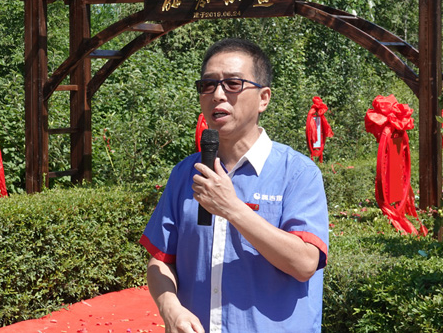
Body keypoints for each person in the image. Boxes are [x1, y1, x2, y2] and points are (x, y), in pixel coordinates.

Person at [139, 38, 329, 333]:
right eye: (208, 85)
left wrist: (232, 209)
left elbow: (305, 263)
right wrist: (170, 308)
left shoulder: (298, 173)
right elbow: (161, 260)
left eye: (233, 84)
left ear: (264, 98)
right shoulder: (184, 173)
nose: (217, 95)